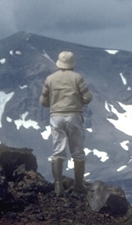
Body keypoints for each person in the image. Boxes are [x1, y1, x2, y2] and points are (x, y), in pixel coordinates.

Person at [40, 51, 93, 195]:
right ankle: (79, 185)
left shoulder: (50, 79)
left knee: (58, 151)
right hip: (74, 116)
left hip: (56, 117)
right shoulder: (77, 78)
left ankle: (58, 186)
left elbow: (43, 101)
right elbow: (88, 97)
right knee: (78, 151)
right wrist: (77, 102)